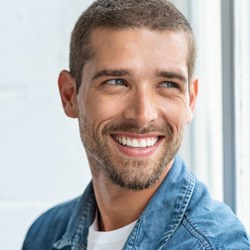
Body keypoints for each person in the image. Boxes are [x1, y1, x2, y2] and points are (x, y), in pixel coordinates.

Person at [22, 0, 250, 249]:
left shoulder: (214, 245)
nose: (143, 115)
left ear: (190, 101)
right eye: (117, 82)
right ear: (69, 96)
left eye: (168, 84)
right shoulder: (44, 234)